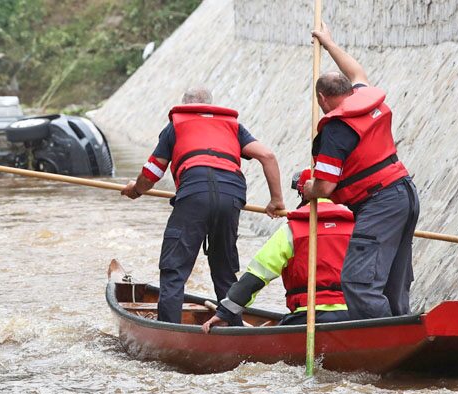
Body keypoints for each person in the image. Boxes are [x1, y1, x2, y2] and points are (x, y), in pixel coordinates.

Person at [121, 87, 285, 323]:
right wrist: (276, 200)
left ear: (184, 104)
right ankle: (235, 331)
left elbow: (152, 173)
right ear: (210, 104)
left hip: (194, 194)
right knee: (225, 272)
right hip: (232, 196)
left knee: (174, 271)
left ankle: (169, 332)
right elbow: (268, 156)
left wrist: (135, 190)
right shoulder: (232, 126)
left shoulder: (176, 126)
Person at [302, 23, 420, 319]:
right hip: (404, 194)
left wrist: (307, 189)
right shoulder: (363, 100)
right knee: (393, 283)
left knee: (358, 281)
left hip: (379, 202)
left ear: (322, 100)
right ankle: (401, 337)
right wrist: (328, 43)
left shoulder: (336, 129)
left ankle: (386, 343)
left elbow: (325, 188)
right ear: (347, 90)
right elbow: (357, 72)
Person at [202, 169, 354, 332]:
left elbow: (256, 276)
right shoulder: (358, 227)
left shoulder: (292, 230)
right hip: (355, 316)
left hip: (308, 316)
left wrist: (225, 313)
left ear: (303, 195)